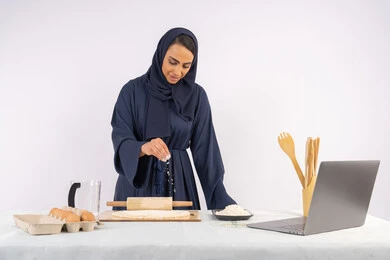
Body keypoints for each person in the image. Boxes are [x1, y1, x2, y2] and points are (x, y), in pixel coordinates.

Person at [111, 27, 236, 210]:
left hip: (179, 185)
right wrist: (143, 147)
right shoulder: (131, 91)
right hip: (136, 188)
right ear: (161, 53)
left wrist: (222, 202)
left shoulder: (196, 96)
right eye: (173, 62)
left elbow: (206, 152)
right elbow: (120, 136)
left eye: (186, 66)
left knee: (181, 238)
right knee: (133, 238)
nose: (178, 72)